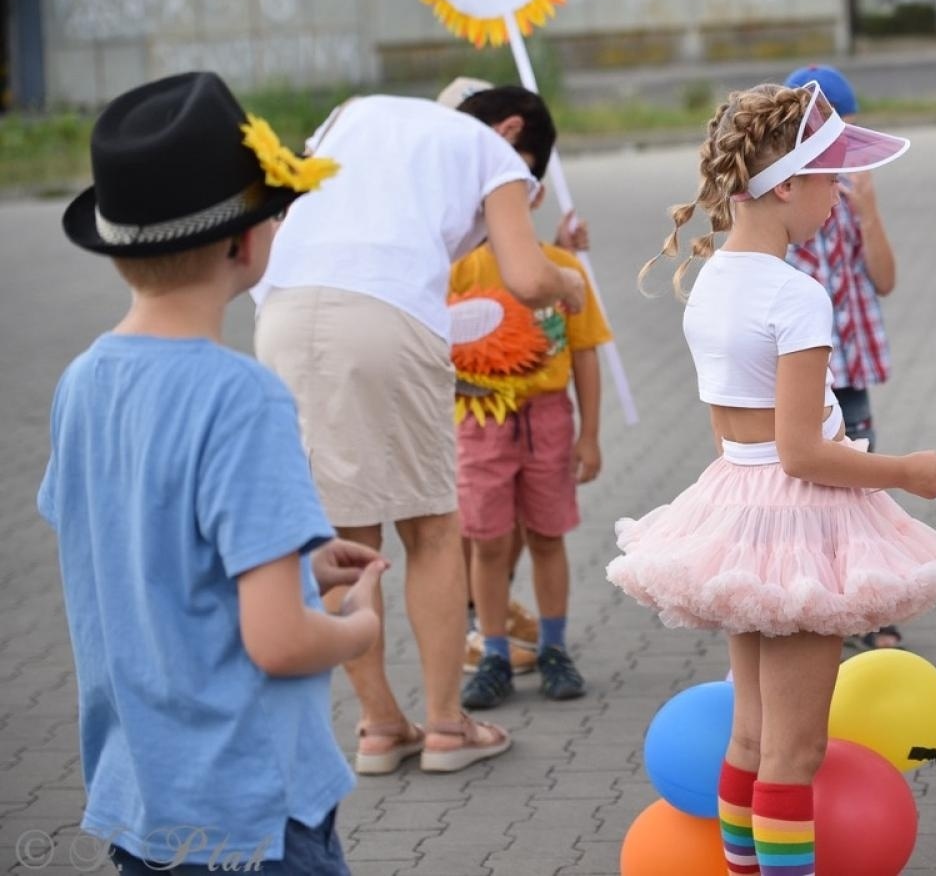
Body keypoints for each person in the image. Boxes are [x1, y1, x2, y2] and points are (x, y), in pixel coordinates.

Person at [608, 81, 936, 875]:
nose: (840, 195)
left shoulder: (710, 282)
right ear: (788, 187)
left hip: (741, 514)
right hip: (803, 520)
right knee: (796, 750)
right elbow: (803, 452)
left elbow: (733, 432)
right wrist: (906, 471)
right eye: (832, 179)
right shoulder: (798, 294)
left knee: (750, 734)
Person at [39, 72, 385, 872]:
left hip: (143, 800)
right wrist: (358, 627)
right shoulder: (243, 397)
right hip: (251, 809)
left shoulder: (82, 381)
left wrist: (292, 561)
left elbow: (142, 551)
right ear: (245, 241)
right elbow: (278, 641)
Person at [253, 86, 586, 775]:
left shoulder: (352, 112)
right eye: (527, 183)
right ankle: (444, 728)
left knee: (344, 539)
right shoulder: (489, 149)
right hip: (383, 317)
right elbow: (525, 277)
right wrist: (568, 284)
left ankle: (379, 728)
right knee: (432, 529)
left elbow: (286, 212)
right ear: (513, 130)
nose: (518, 208)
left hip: (283, 316)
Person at [450, 122, 612, 710]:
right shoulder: (459, 272)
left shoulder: (562, 268)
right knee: (487, 543)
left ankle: (553, 647)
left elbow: (587, 355)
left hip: (548, 420)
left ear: (535, 196)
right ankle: (492, 651)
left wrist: (589, 435)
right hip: (480, 421)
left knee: (547, 535)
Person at [780, 64, 904, 651]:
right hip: (797, 375)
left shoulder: (850, 201)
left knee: (861, 487)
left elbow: (884, 278)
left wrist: (871, 212)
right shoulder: (779, 208)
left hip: (848, 372)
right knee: (806, 490)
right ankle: (815, 600)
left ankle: (870, 609)